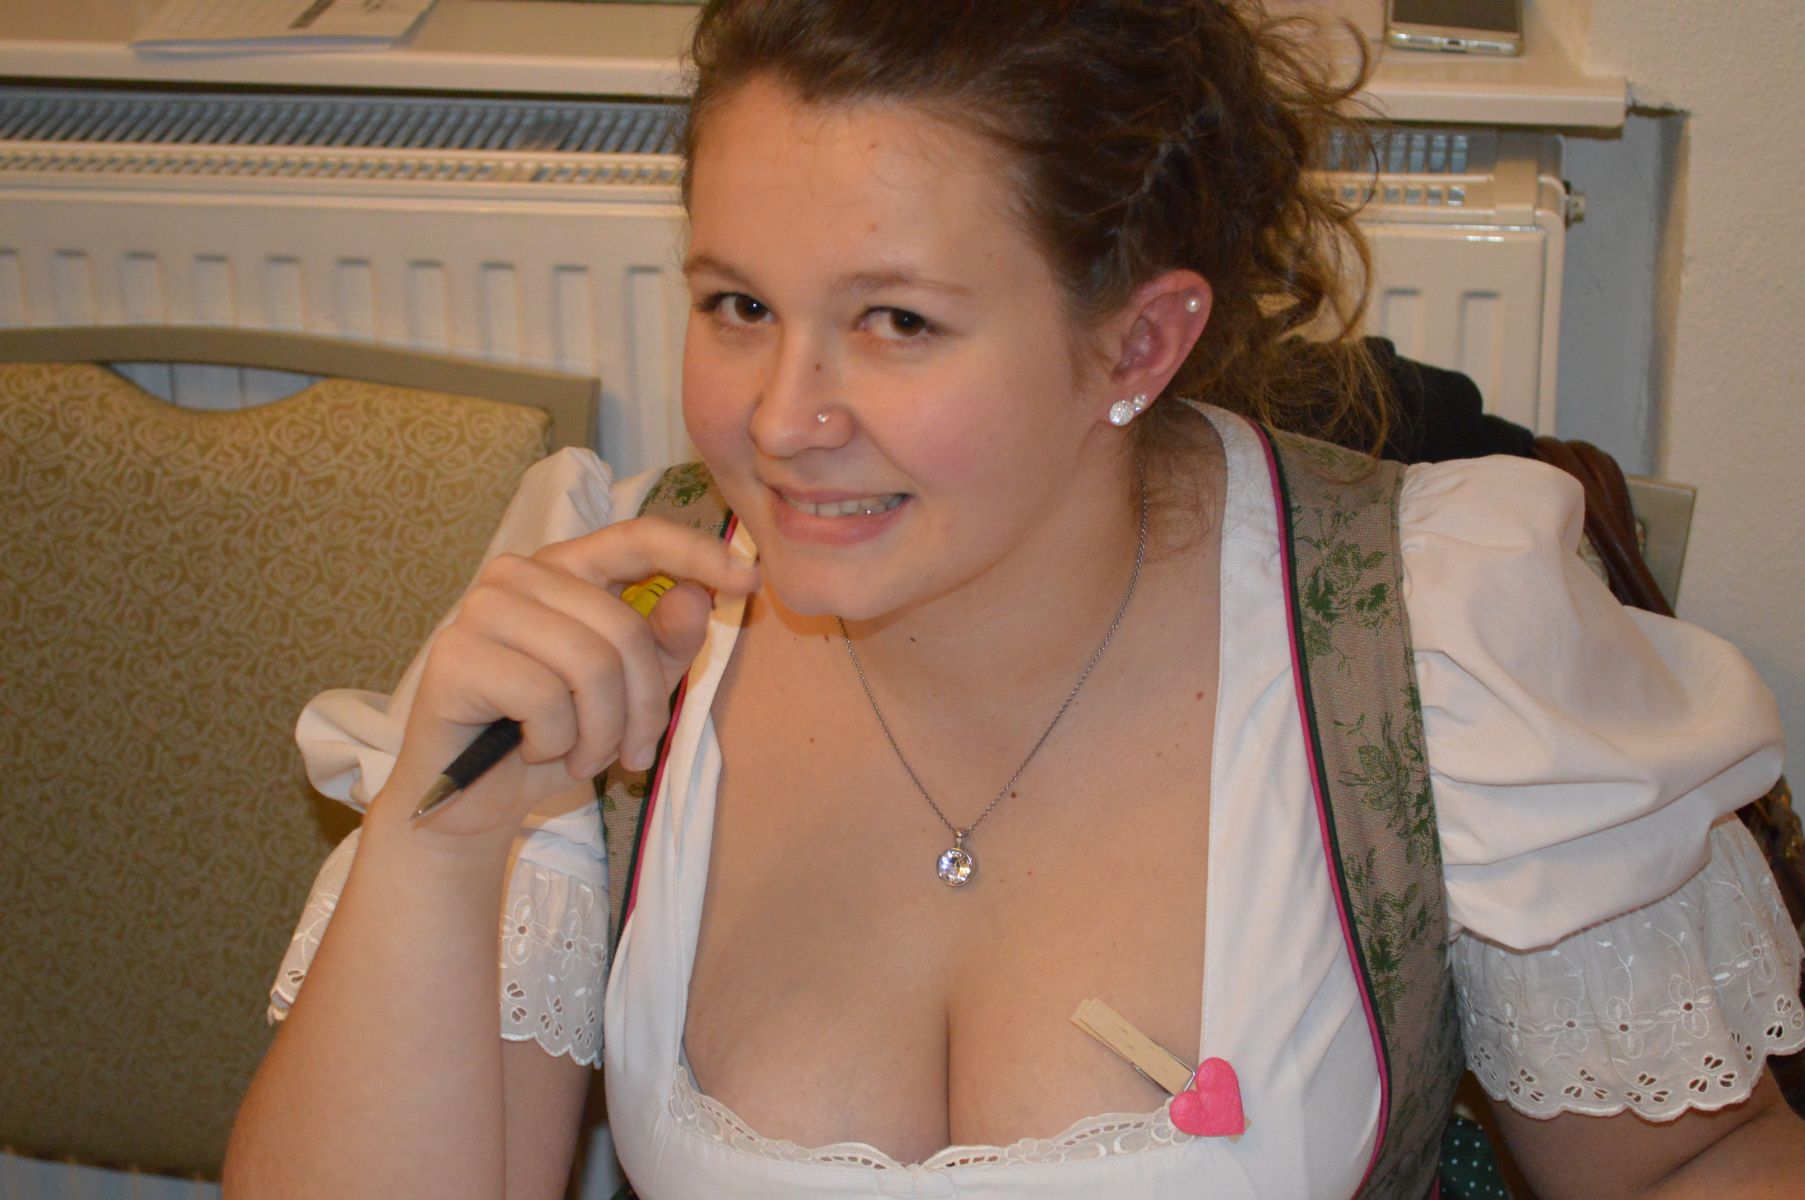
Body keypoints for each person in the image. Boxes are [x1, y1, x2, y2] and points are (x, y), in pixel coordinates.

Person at [223, 1, 1805, 1196]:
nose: (781, 420)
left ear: (1138, 341)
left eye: (896, 322)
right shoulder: (621, 643)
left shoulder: (1423, 643)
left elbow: (1689, 1162)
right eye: (739, 304)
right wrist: (439, 839)